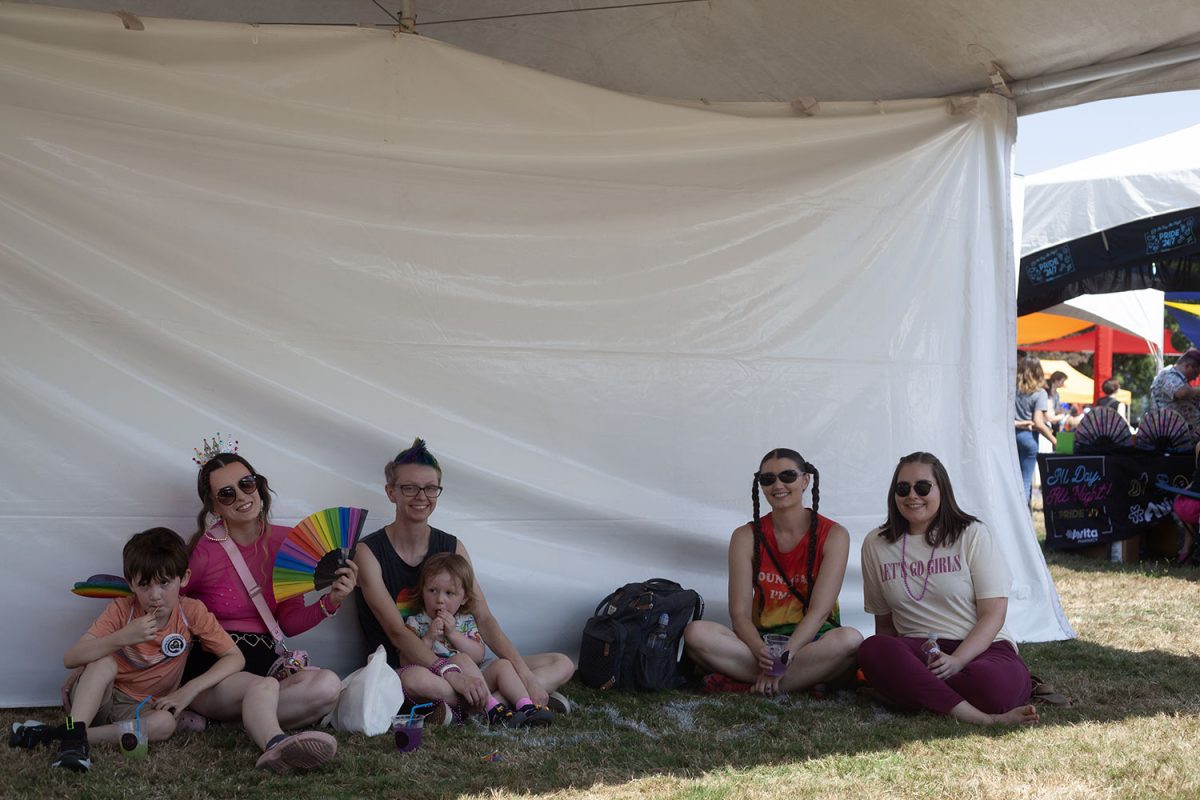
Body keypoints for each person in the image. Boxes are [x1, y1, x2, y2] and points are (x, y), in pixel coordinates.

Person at [354, 438, 575, 722]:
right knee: (417, 681)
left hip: (465, 664)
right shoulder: (368, 551)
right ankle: (503, 701)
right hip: (412, 668)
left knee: (562, 663)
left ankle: (496, 700)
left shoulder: (452, 546)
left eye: (430, 488)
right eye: (409, 487)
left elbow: (483, 617)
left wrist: (525, 675)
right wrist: (450, 675)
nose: (421, 496)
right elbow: (397, 633)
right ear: (391, 492)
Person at [10, 528, 242, 773]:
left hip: (140, 707)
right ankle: (73, 741)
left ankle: (64, 736)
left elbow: (234, 657)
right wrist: (122, 637)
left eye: (165, 583)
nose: (155, 596)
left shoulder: (191, 611)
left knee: (165, 723)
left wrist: (187, 691)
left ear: (183, 578)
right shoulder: (122, 609)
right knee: (104, 663)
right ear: (131, 583)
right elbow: (71, 658)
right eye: (144, 585)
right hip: (100, 698)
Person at [183, 438, 353, 773]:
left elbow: (288, 623)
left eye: (246, 484)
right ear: (215, 507)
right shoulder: (205, 551)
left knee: (328, 685)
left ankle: (228, 724)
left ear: (259, 486)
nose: (242, 496)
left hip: (266, 662)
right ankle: (275, 745)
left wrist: (331, 602)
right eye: (227, 493)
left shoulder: (287, 542)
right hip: (217, 664)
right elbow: (167, 603)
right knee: (264, 687)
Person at [857, 452, 1039, 726]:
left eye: (923, 487)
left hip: (981, 647)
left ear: (942, 489)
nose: (912, 496)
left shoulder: (972, 534)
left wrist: (956, 661)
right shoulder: (876, 544)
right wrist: (889, 666)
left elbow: (993, 614)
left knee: (991, 688)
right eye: (902, 488)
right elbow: (884, 625)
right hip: (920, 650)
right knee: (873, 649)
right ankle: (982, 719)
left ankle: (917, 694)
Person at [682, 448, 862, 696]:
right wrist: (762, 652)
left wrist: (786, 655)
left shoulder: (834, 534)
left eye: (788, 476)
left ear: (805, 480)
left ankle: (753, 685)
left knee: (850, 640)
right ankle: (802, 681)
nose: (778, 484)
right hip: (761, 646)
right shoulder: (745, 536)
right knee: (696, 633)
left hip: (812, 642)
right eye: (768, 479)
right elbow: (739, 615)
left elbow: (820, 612)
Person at [406, 552, 555, 727]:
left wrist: (453, 633)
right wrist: (429, 638)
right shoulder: (416, 622)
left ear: (464, 598)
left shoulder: (465, 620)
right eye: (432, 591)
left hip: (476, 679)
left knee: (503, 665)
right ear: (422, 591)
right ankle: (491, 708)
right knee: (460, 659)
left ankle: (526, 707)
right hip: (444, 683)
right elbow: (406, 658)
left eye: (449, 593)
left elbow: (478, 654)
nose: (440, 600)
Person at [1015, 355, 1056, 503]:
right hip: (1028, 439)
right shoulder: (1039, 393)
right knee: (1025, 482)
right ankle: (1022, 519)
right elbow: (1038, 423)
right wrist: (1054, 440)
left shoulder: (1011, 390)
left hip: (1010, 439)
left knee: (1012, 481)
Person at [1149, 349, 1200, 444]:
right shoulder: (1168, 374)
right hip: (1172, 439)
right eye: (1196, 373)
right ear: (1187, 366)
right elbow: (1180, 392)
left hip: (1184, 437)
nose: (1195, 378)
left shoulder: (1181, 380)